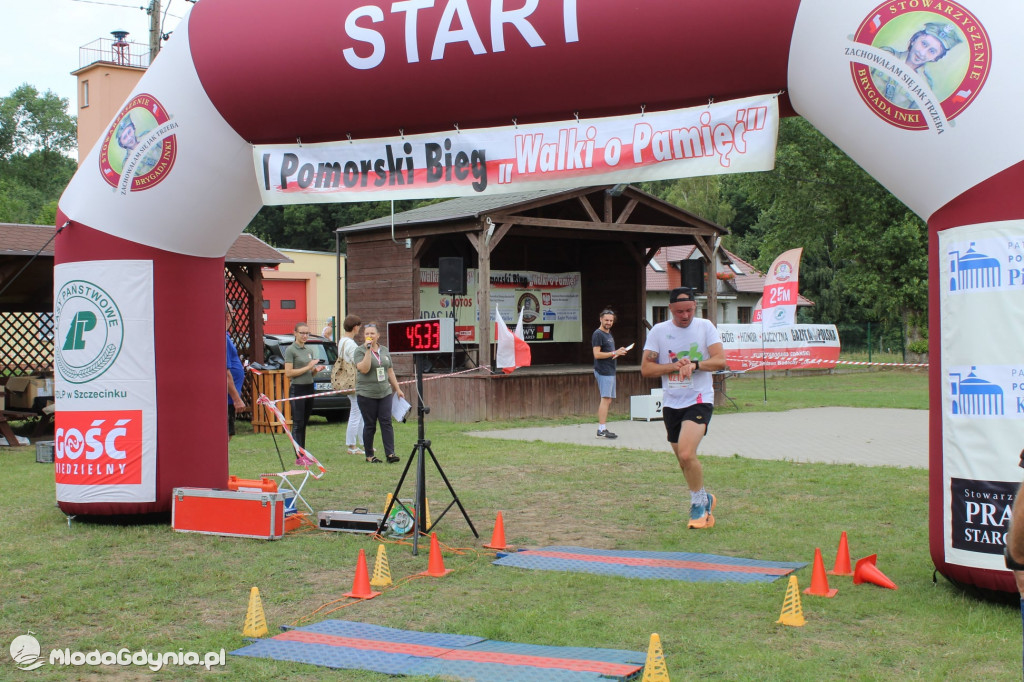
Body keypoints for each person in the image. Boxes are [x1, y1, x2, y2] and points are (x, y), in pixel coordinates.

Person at [641, 287, 727, 530]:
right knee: (683, 460)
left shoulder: (705, 327)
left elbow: (720, 360)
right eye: (680, 312)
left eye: (689, 310)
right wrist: (672, 367)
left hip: (699, 398)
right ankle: (705, 496)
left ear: (695, 308)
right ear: (670, 310)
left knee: (688, 454)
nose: (685, 316)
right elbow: (646, 369)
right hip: (672, 402)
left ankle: (699, 506)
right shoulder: (659, 331)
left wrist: (696, 365)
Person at [870, 22, 962, 109]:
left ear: (935, 58)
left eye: (932, 51)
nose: (922, 53)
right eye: (924, 44)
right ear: (914, 40)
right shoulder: (886, 55)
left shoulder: (924, 85)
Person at [353, 321, 405, 464]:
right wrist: (368, 350)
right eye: (367, 334)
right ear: (364, 336)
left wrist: (398, 389)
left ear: (378, 336)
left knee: (386, 422)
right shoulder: (359, 351)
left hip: (385, 392)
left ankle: (390, 454)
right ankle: (369, 455)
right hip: (366, 393)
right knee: (370, 425)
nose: (369, 336)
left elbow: (389, 370)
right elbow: (364, 369)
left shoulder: (384, 350)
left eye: (372, 333)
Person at [284, 322, 321, 453]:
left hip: (309, 387)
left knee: (304, 423)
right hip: (297, 389)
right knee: (298, 423)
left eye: (307, 333)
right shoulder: (291, 350)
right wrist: (308, 367)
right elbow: (289, 373)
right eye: (302, 333)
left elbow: (309, 372)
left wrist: (315, 370)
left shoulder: (309, 350)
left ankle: (303, 452)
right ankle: (299, 455)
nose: (305, 336)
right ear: (295, 333)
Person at [592, 308, 628, 439]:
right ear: (601, 319)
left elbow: (609, 353)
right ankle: (601, 429)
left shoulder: (609, 334)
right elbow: (596, 354)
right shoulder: (598, 334)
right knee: (605, 398)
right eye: (606, 320)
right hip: (603, 371)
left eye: (611, 320)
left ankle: (603, 428)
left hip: (610, 370)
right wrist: (614, 353)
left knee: (608, 400)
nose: (608, 322)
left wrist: (618, 352)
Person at [339, 314, 365, 455]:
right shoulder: (350, 343)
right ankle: (351, 445)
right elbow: (357, 361)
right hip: (353, 380)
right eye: (359, 327)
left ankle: (362, 442)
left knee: (359, 411)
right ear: (355, 327)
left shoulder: (342, 341)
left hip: (346, 379)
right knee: (356, 412)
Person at [226, 304, 246, 438]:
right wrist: (236, 399)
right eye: (233, 314)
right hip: (226, 400)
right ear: (228, 316)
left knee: (228, 434)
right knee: (225, 436)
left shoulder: (225, 335)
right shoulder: (222, 338)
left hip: (229, 400)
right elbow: (225, 373)